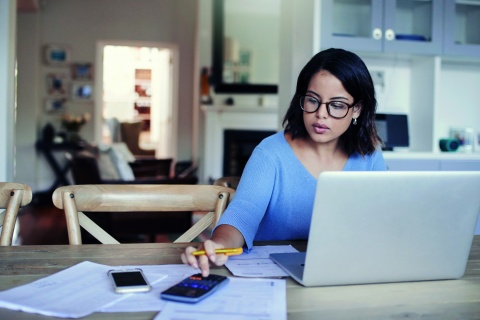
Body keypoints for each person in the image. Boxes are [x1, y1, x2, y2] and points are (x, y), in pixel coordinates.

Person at [182, 48, 387, 276]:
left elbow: (383, 221)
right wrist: (218, 245)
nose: (321, 114)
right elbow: (242, 215)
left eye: (337, 105)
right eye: (313, 100)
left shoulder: (369, 155)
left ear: (357, 109)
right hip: (272, 277)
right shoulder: (270, 153)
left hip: (343, 272)